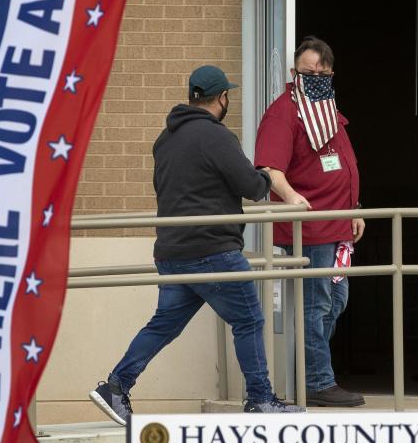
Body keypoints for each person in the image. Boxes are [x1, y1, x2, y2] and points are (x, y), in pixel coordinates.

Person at [90, 65, 304, 424]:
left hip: (173, 253)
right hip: (211, 249)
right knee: (249, 318)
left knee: (164, 325)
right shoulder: (217, 137)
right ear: (222, 98)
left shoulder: (165, 139)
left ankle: (115, 386)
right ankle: (261, 399)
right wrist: (267, 176)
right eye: (227, 97)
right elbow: (250, 186)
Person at [254, 37, 366, 407]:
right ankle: (318, 381)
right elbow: (270, 168)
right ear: (294, 73)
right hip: (310, 230)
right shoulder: (284, 112)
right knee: (315, 306)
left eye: (321, 71)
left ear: (331, 73)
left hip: (337, 227)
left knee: (335, 302)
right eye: (307, 71)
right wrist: (291, 198)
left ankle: (311, 370)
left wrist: (355, 208)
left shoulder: (327, 109)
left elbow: (341, 165)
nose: (314, 76)